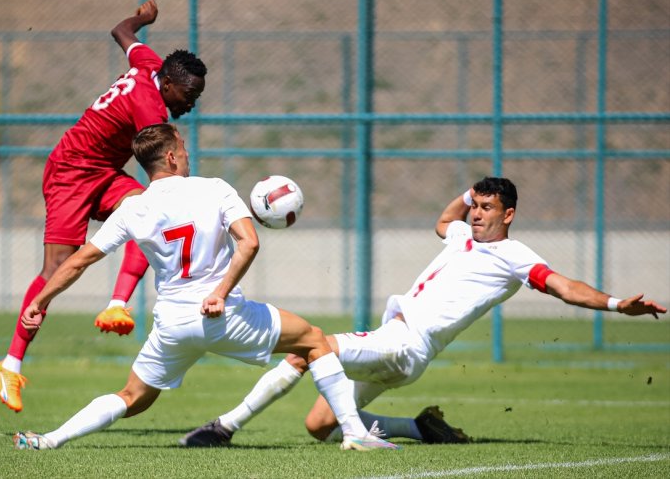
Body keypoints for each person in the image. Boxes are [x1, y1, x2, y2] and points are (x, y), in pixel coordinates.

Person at [179, 177, 667, 447]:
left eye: (487, 207)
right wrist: (466, 190)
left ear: (509, 214)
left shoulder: (516, 256)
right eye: (475, 205)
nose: (476, 214)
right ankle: (420, 428)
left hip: (405, 344)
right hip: (395, 344)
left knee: (309, 346)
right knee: (319, 426)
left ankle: (224, 427)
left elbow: (563, 287)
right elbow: (445, 219)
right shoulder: (462, 233)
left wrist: (615, 303)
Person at [12, 123, 398, 451]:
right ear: (170, 158)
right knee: (314, 340)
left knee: (132, 397)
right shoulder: (214, 188)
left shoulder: (133, 208)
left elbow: (79, 259)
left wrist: (41, 301)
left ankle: (48, 440)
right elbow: (250, 242)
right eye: (182, 146)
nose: (187, 150)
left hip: (173, 325)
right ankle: (354, 432)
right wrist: (220, 292)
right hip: (223, 315)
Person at [0, 0, 208, 413]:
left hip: (104, 172)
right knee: (57, 270)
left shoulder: (150, 64)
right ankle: (10, 364)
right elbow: (161, 166)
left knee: (146, 211)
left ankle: (116, 304)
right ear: (169, 84)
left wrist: (142, 20)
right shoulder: (150, 109)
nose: (192, 102)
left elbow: (121, 33)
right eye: (190, 93)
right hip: (71, 171)